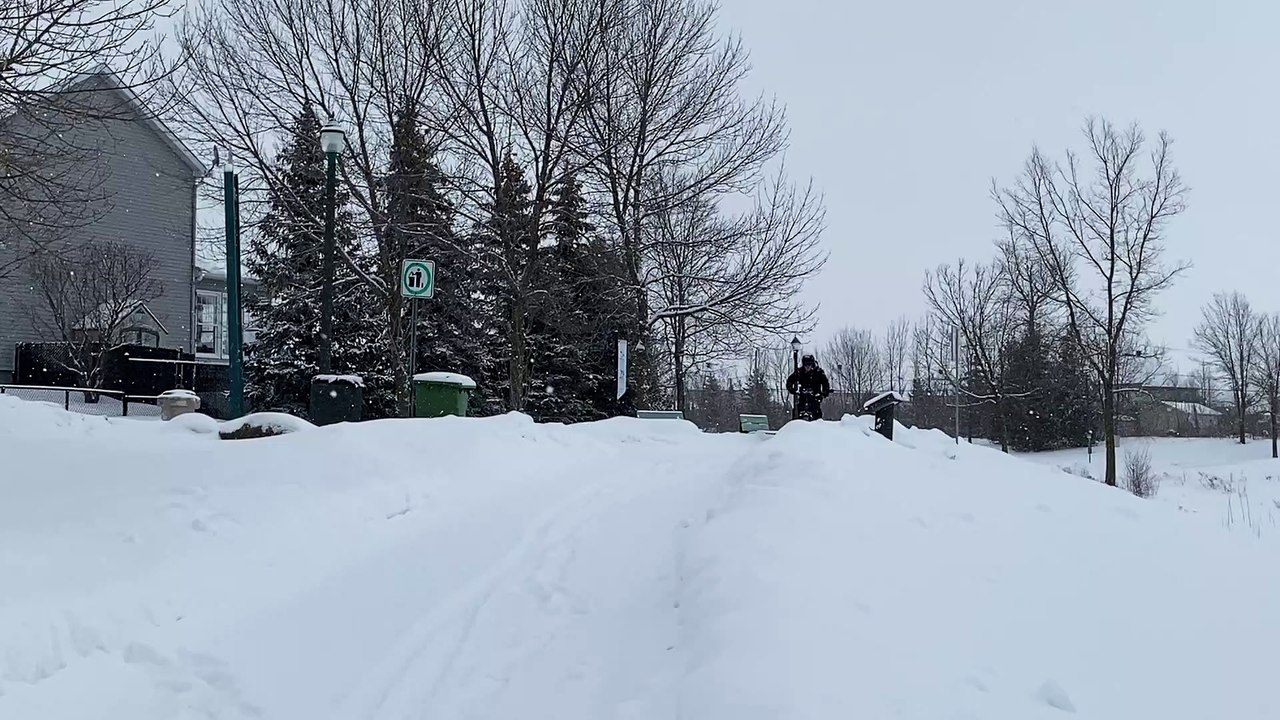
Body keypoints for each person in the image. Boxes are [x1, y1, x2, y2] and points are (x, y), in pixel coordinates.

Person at [786, 353, 831, 420]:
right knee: (800, 415)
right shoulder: (800, 372)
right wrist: (793, 390)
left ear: (812, 364)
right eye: (806, 364)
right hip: (802, 398)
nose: (808, 367)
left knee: (816, 415)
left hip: (815, 398)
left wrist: (823, 394)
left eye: (809, 364)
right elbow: (790, 381)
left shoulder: (818, 372)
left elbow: (825, 384)